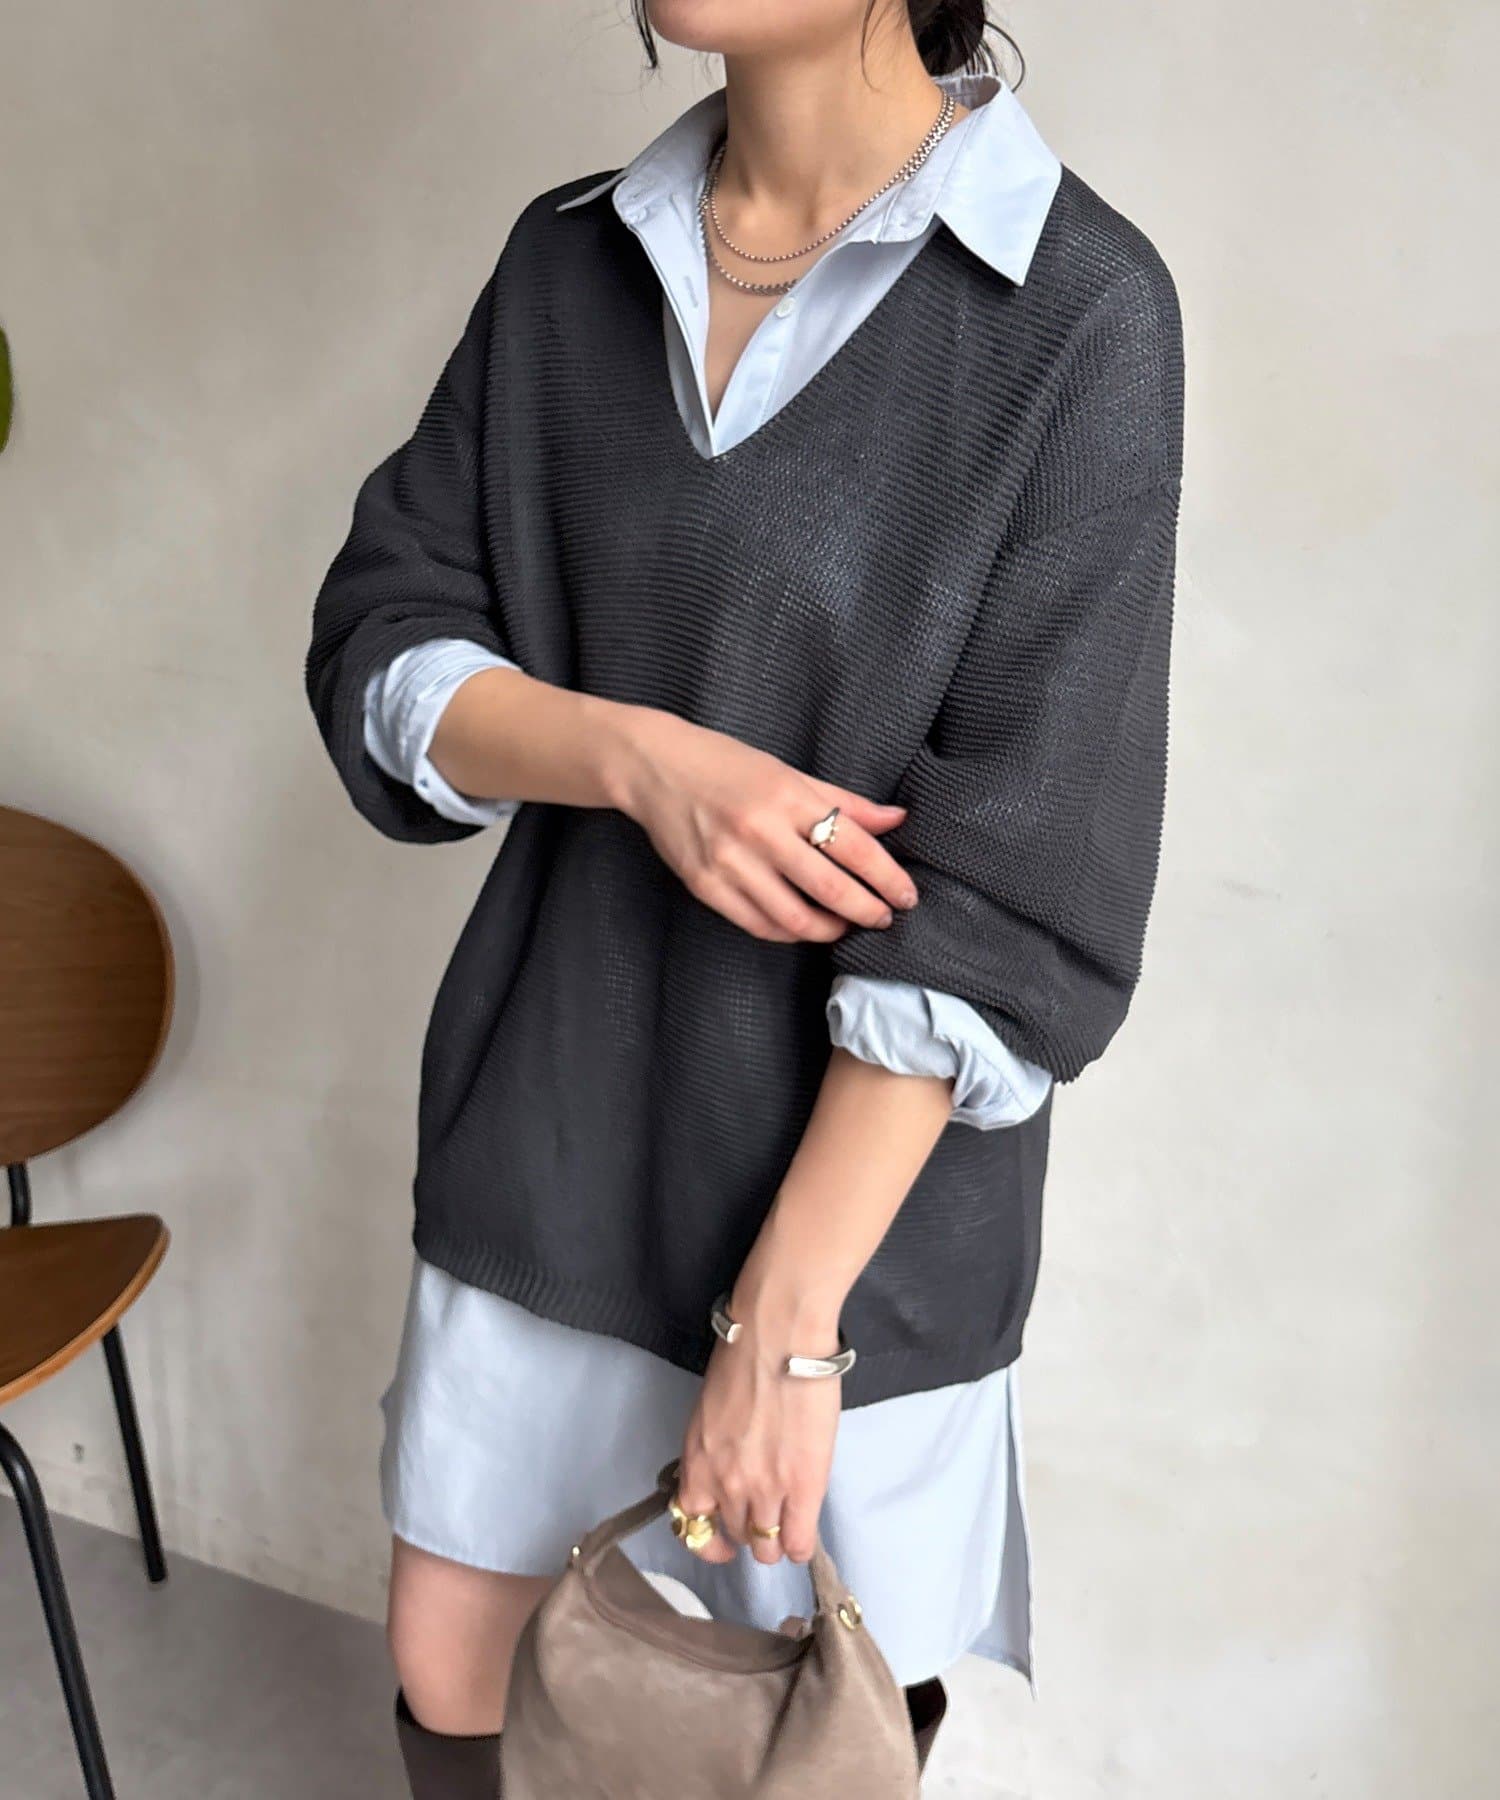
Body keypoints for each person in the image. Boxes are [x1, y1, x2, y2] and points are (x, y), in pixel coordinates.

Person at [305, 1, 1184, 1791]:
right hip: (552, 1138)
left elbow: (1021, 882)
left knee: (804, 1739)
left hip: (855, 1223)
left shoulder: (1078, 309)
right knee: (455, 1679)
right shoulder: (568, 266)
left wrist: (786, 1323)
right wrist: (639, 758)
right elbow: (386, 633)